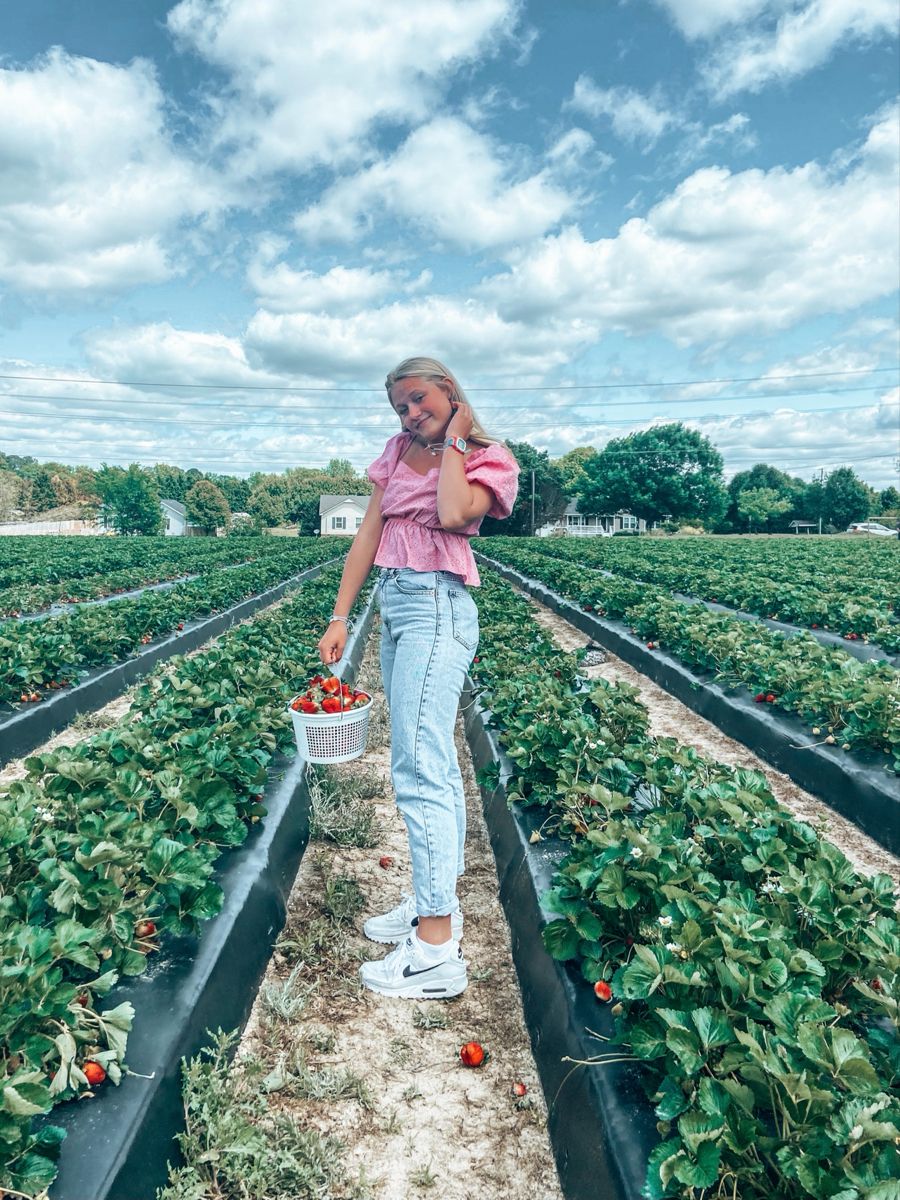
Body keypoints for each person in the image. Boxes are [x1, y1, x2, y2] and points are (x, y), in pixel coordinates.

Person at [317, 356, 519, 999]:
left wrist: (455, 439)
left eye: (419, 399)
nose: (409, 414)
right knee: (422, 760)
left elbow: (458, 515)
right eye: (400, 407)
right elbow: (370, 532)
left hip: (437, 604)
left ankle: (435, 950)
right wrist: (342, 614)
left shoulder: (487, 457)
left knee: (421, 766)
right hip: (400, 600)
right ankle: (433, 904)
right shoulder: (397, 451)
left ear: (450, 391)